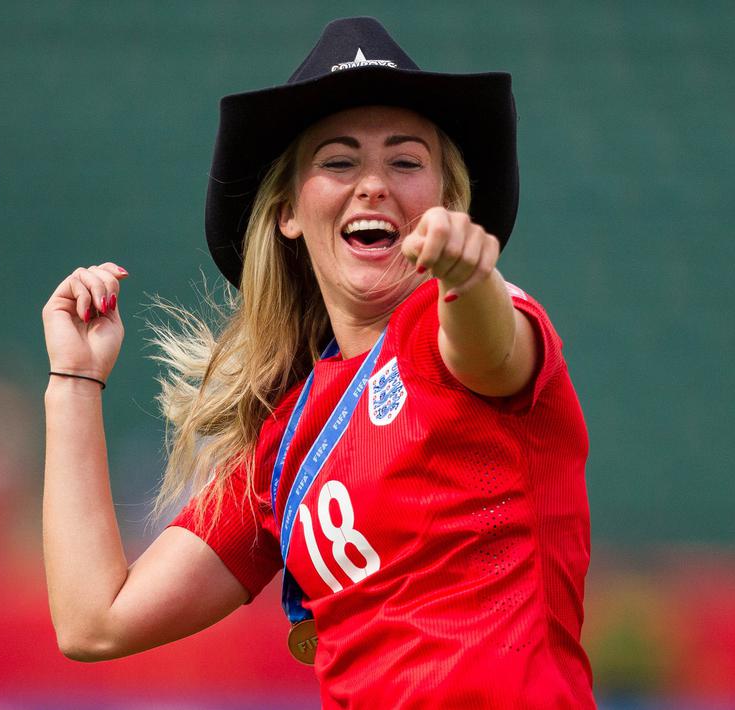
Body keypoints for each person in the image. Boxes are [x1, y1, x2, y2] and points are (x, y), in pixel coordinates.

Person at [42, 17, 593, 708]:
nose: (372, 185)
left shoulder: (457, 322)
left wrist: (468, 279)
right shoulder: (287, 436)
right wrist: (73, 382)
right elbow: (95, 622)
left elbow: (486, 347)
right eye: (338, 161)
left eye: (405, 161)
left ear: (448, 204)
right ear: (286, 213)